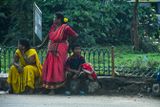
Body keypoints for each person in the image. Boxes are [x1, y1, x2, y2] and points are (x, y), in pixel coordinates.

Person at [38, 12, 78, 94]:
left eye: (55, 18)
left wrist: (69, 45)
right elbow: (48, 36)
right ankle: (48, 87)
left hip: (61, 49)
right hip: (51, 48)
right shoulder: (53, 27)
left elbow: (75, 35)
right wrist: (41, 45)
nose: (53, 19)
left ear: (59, 19)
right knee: (49, 67)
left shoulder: (65, 27)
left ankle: (56, 88)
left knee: (58, 68)